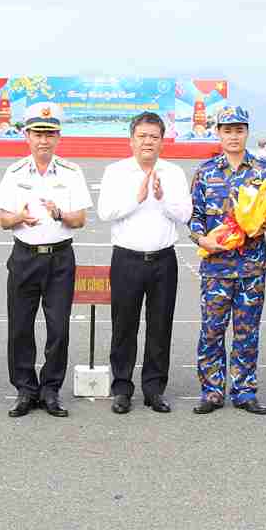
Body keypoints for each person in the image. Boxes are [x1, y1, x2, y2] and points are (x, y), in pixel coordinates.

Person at [0, 103, 91, 418]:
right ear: (27, 136)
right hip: (24, 257)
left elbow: (80, 220)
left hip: (60, 258)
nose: (43, 140)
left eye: (49, 134)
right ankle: (24, 389)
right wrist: (19, 217)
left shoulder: (72, 172)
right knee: (20, 326)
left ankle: (50, 390)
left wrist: (59, 213)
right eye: (38, 133)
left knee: (58, 328)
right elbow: (3, 221)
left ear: (59, 136)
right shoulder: (15, 172)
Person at [188, 105, 266, 415]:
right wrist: (203, 240)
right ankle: (212, 391)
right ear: (218, 133)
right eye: (227, 130)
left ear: (247, 132)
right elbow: (194, 217)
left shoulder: (263, 171)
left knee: (247, 331)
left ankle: (244, 390)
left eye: (238, 130)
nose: (233, 135)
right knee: (212, 330)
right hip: (216, 267)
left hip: (252, 265)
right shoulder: (205, 171)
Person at [97, 111, 190, 415]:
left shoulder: (174, 173)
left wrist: (162, 198)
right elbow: (105, 213)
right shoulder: (115, 172)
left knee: (160, 326)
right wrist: (136, 198)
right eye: (142, 136)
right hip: (127, 259)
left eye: (154, 136)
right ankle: (122, 388)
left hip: (163, 259)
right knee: (124, 326)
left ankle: (154, 389)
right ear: (131, 140)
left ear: (162, 141)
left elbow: (185, 215)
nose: (148, 141)